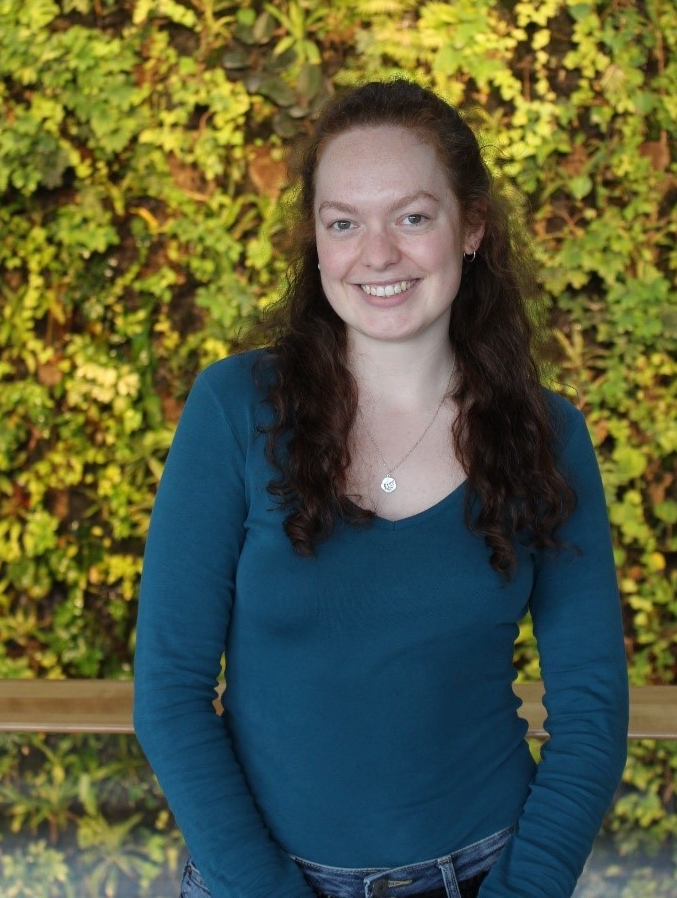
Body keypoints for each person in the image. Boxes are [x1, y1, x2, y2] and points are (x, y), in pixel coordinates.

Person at [133, 79, 629, 898]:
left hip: (481, 872)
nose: (377, 255)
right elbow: (170, 698)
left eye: (412, 216)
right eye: (343, 223)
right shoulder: (232, 409)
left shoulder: (548, 435)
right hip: (257, 881)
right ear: (317, 244)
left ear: (471, 227)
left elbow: (590, 713)